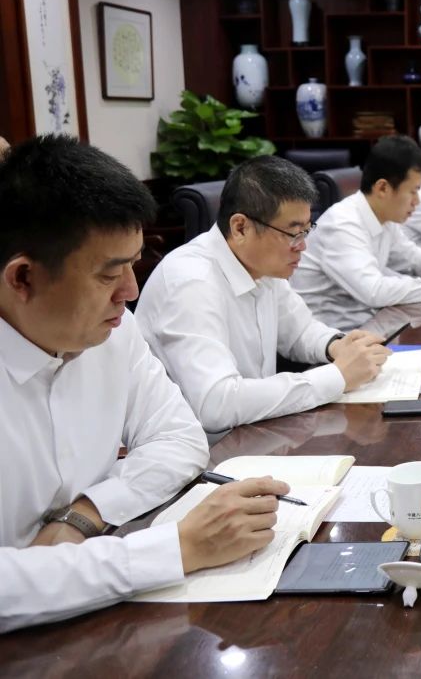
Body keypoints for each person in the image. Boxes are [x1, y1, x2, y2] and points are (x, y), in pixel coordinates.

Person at [0, 136, 290, 632]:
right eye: (109, 275)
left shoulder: (113, 330)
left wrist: (83, 515)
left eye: (133, 264)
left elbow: (180, 438)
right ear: (23, 278)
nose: (130, 291)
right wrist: (177, 548)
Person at [137, 156, 391, 434]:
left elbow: (300, 331)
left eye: (307, 230)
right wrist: (337, 376)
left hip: (257, 431)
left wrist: (336, 345)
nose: (303, 246)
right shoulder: (190, 282)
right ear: (241, 227)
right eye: (293, 233)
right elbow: (216, 404)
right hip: (207, 448)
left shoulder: (262, 264)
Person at [291, 135, 421, 330]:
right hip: (333, 336)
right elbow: (374, 291)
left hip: (371, 324)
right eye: (413, 191)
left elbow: (412, 256)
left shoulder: (384, 217)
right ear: (383, 188)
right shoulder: (342, 225)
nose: (417, 201)